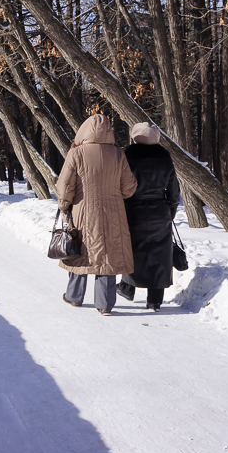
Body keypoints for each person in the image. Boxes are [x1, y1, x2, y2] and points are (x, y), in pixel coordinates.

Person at [55, 114, 138, 315]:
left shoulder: (76, 153)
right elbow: (129, 189)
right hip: (113, 212)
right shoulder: (118, 154)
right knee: (107, 256)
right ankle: (105, 304)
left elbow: (65, 186)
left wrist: (64, 205)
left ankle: (74, 297)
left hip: (83, 210)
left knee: (79, 251)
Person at [116, 122, 181, 311]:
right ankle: (154, 300)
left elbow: (120, 185)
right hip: (159, 210)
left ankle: (128, 288)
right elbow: (174, 190)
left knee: (133, 250)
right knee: (159, 254)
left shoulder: (127, 156)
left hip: (133, 209)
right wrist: (170, 211)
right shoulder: (164, 156)